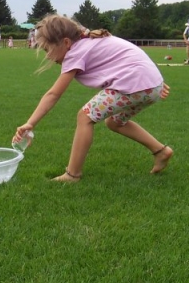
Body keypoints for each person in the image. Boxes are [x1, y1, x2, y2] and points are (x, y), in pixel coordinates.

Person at [12, 14, 172, 182]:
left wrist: (30, 123)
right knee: (114, 122)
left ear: (66, 42)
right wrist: (156, 83)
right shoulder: (89, 42)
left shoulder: (75, 52)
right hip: (149, 85)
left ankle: (72, 174)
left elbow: (53, 94)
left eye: (47, 50)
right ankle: (160, 151)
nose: (48, 56)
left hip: (136, 84)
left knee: (85, 116)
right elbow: (131, 55)